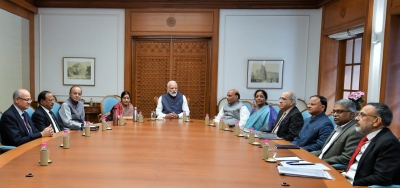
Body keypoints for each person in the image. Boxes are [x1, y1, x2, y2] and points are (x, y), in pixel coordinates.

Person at [342, 103, 400, 186]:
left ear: (376, 121)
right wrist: (344, 173)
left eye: (362, 115)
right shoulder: (367, 137)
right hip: (346, 179)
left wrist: (351, 183)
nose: (356, 118)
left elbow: (382, 177)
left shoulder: (388, 142)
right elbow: (355, 163)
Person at [312, 99, 363, 165]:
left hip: (330, 166)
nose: (335, 114)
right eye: (334, 112)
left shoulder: (355, 131)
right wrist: (307, 156)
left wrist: (321, 162)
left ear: (351, 114)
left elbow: (346, 158)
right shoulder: (338, 126)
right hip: (320, 162)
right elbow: (323, 151)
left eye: (339, 111)